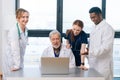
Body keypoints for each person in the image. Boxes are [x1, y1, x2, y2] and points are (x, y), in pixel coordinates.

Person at [88, 7, 114, 80]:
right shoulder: (93, 27)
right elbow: (92, 44)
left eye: (94, 17)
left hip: (103, 64)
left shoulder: (108, 28)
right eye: (91, 18)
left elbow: (106, 47)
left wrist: (91, 52)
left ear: (100, 15)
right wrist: (88, 51)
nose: (92, 19)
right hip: (93, 63)